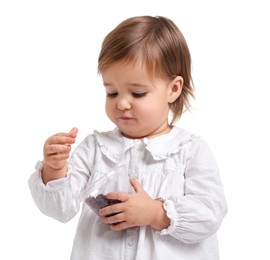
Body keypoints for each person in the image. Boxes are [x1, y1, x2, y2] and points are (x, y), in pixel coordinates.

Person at [28, 15, 227, 260]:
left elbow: (210, 214)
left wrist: (156, 213)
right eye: (111, 92)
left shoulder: (190, 151)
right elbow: (60, 210)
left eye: (138, 93)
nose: (122, 103)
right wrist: (54, 170)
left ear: (173, 89)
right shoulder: (96, 149)